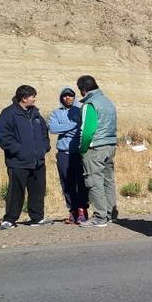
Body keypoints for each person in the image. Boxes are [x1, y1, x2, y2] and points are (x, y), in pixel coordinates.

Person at [0, 85, 51, 228]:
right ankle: (10, 219)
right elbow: (3, 137)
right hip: (18, 162)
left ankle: (37, 217)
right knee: (16, 192)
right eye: (32, 96)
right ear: (24, 98)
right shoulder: (8, 113)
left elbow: (44, 133)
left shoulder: (36, 114)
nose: (34, 99)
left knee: (38, 191)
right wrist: (19, 150)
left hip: (38, 161)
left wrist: (44, 148)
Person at [76, 75, 119, 227]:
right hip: (110, 145)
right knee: (108, 180)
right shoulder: (108, 102)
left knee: (94, 181)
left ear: (83, 90)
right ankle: (111, 213)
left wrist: (82, 148)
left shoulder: (90, 104)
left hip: (95, 147)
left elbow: (87, 131)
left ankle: (100, 217)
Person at [48, 87, 89, 224]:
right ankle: (73, 211)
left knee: (81, 182)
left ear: (74, 97)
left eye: (70, 95)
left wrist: (64, 127)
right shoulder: (56, 113)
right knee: (66, 182)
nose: (68, 98)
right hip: (63, 153)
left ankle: (83, 210)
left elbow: (82, 129)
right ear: (61, 98)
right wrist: (72, 125)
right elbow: (53, 128)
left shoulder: (80, 111)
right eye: (65, 96)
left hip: (78, 152)